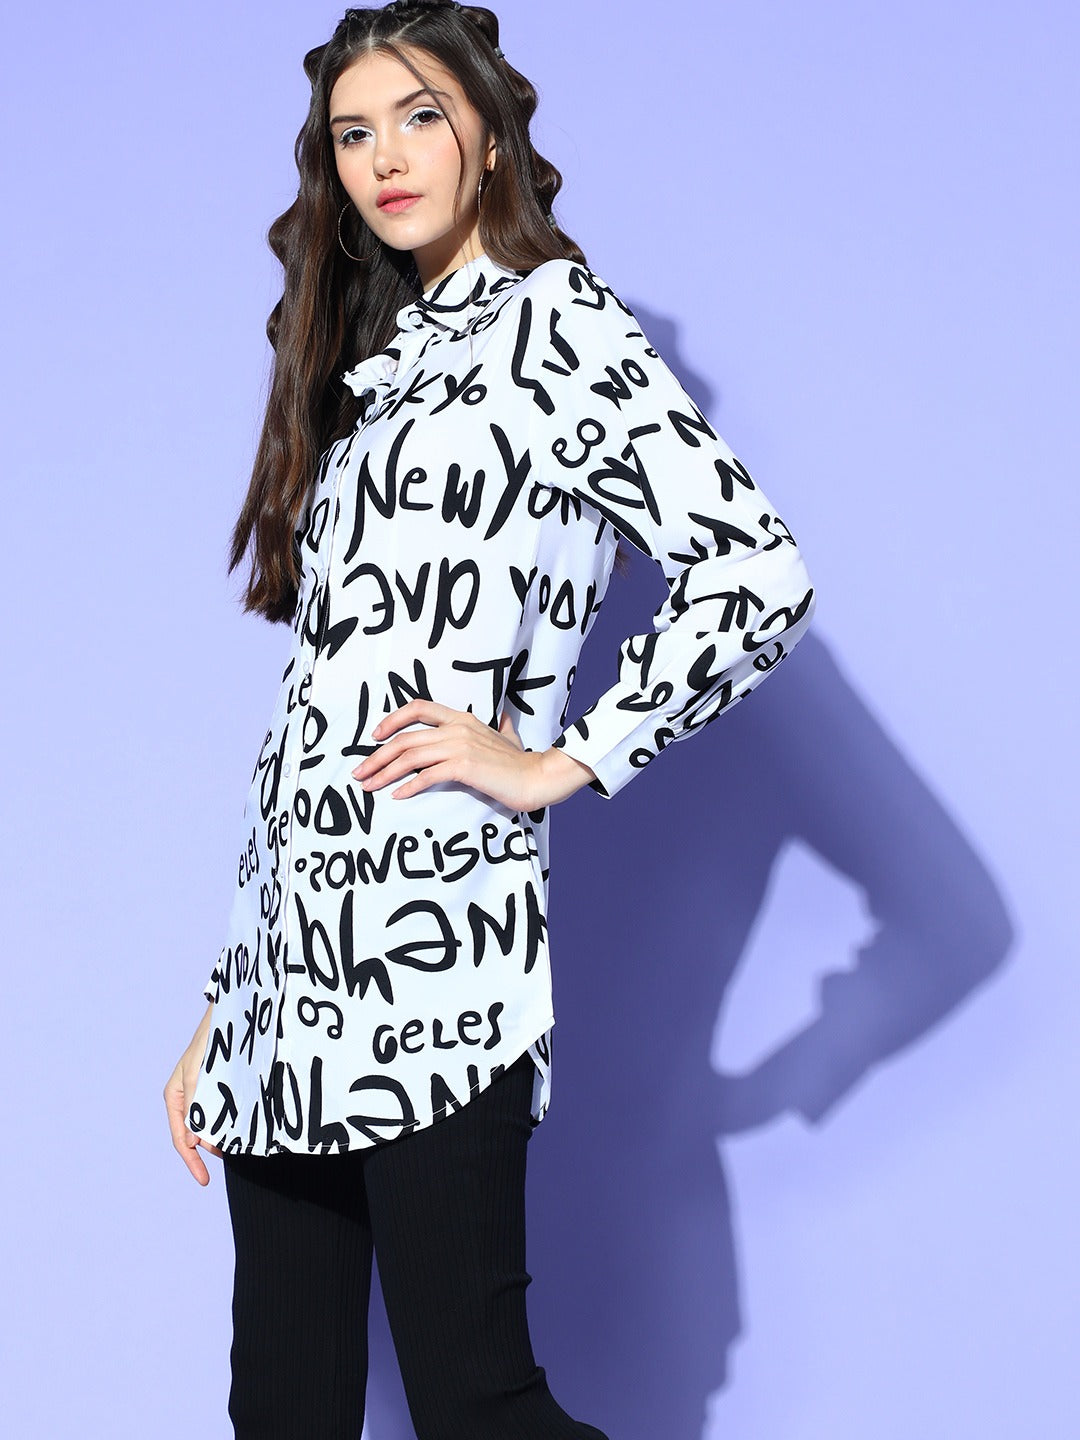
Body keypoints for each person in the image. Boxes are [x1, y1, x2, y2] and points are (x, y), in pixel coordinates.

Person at [163, 2, 817, 1436]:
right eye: (353, 133)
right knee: (280, 1409)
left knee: (476, 1404)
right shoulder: (373, 373)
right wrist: (228, 999)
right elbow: (315, 709)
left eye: (420, 117)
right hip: (290, 980)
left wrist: (561, 759)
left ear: (490, 136)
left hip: (440, 961)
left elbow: (753, 572)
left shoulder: (558, 327)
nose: (386, 158)